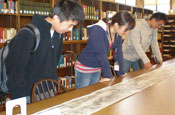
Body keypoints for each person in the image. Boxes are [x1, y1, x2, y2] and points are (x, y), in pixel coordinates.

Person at [5, 0, 84, 102]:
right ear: (56, 18)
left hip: (48, 91)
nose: (70, 30)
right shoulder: (27, 34)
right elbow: (15, 70)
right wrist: (19, 101)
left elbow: (54, 62)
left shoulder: (58, 34)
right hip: (27, 94)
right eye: (69, 25)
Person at [74, 11, 135, 89]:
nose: (126, 33)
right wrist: (107, 75)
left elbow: (118, 54)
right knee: (82, 95)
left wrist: (121, 72)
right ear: (116, 25)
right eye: (125, 30)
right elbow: (101, 54)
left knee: (93, 93)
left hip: (97, 67)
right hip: (85, 67)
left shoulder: (117, 35)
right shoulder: (98, 30)